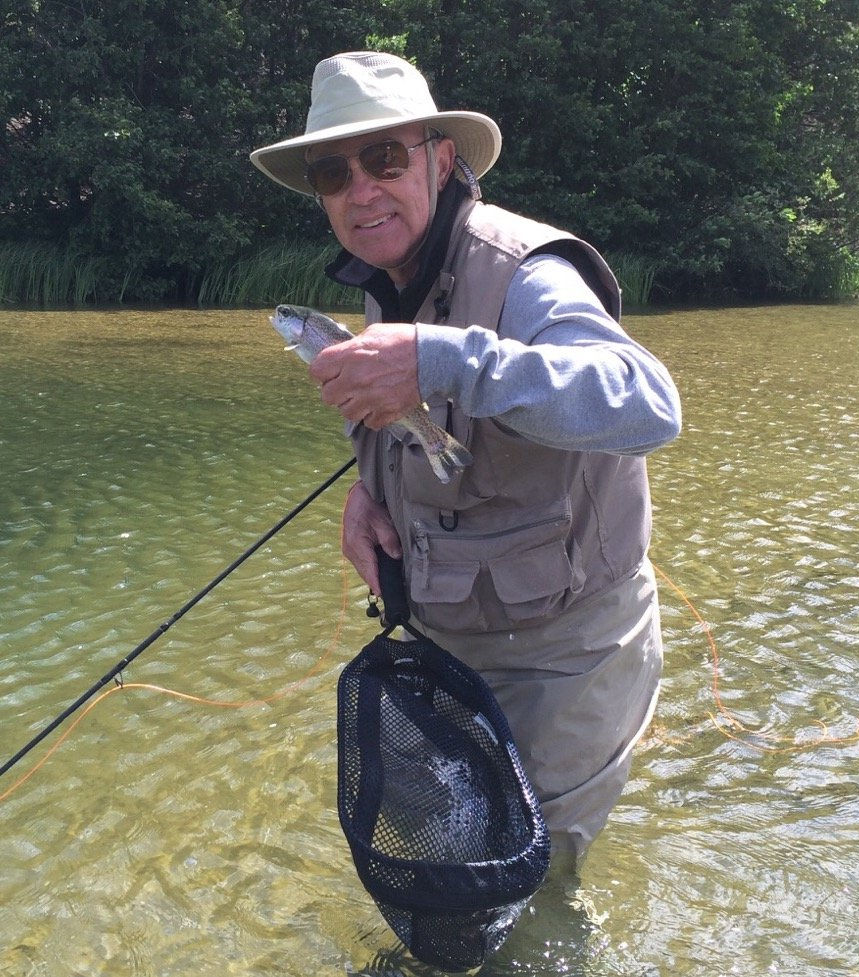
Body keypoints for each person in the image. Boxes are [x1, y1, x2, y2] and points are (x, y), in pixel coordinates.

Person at [250, 51, 681, 861]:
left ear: (442, 161)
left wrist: (442, 361)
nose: (361, 189)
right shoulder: (388, 276)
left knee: (532, 878)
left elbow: (646, 402)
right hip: (450, 639)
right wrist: (372, 492)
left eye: (385, 158)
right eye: (334, 173)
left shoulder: (528, 273)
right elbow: (420, 430)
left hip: (566, 657)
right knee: (446, 856)